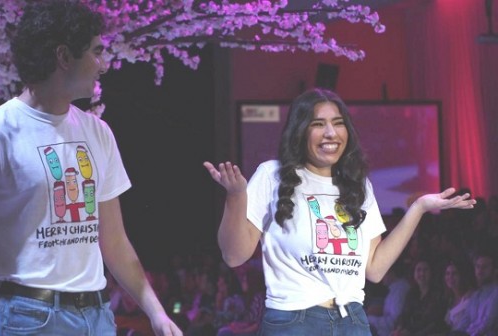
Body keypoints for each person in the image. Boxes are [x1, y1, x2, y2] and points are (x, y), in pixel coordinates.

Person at [0, 1, 182, 335]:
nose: (103, 64)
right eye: (96, 52)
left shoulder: (98, 132)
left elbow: (113, 240)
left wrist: (156, 312)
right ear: (64, 57)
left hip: (97, 314)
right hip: (26, 316)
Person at [203, 88, 475, 335]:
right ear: (300, 131)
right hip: (294, 321)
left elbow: (375, 269)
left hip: (352, 320)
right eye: (318, 124)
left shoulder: (358, 185)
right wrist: (236, 196)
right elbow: (234, 255)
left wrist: (418, 208)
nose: (330, 133)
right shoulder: (271, 175)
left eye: (338, 123)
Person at [391, 258, 448, 336]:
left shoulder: (438, 294)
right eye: (418, 270)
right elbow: (404, 315)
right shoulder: (411, 293)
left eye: (425, 270)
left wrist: (412, 333)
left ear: (431, 272)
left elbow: (434, 322)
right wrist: (399, 328)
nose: (422, 273)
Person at [451, 251, 498, 335]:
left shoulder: (495, 293)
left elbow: (487, 323)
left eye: (485, 267)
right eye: (478, 266)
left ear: (495, 270)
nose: (480, 270)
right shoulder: (476, 295)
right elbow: (465, 320)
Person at [367, 260, 411, 336]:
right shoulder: (394, 289)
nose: (381, 278)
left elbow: (394, 322)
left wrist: (369, 319)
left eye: (383, 274)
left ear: (391, 273)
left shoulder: (400, 289)